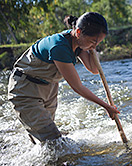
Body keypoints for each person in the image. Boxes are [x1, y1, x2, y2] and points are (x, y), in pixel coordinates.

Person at [8, 12, 119, 143]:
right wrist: (106, 106)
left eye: (98, 43)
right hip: (26, 89)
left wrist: (91, 47)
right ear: (78, 32)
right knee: (53, 141)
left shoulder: (79, 42)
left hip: (48, 88)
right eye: (92, 42)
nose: (94, 46)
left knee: (45, 139)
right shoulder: (59, 46)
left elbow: (94, 69)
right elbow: (77, 87)